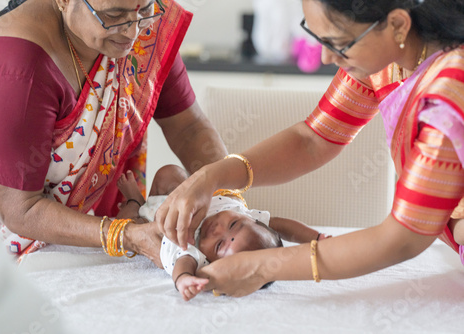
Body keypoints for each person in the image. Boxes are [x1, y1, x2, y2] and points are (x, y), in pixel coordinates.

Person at [154, 0, 464, 297]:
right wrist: (210, 178)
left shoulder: (450, 91)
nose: (327, 58)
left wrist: (264, 266)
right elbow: (312, 140)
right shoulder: (387, 60)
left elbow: (402, 238)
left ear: (397, 24)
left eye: (339, 42)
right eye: (319, 38)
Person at [0, 0, 227, 264]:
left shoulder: (137, 20)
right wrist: (125, 236)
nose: (133, 32)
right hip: (7, 255)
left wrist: (229, 203)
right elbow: (20, 209)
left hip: (106, 229)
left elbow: (189, 129)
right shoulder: (20, 67)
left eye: (146, 9)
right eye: (114, 15)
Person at [116, 164, 329, 301]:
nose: (217, 230)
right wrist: (316, 238)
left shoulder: (192, 249)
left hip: (150, 222)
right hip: (175, 199)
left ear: (212, 262)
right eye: (233, 225)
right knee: (169, 173)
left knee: (124, 224)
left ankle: (135, 200)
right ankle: (148, 199)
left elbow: (184, 264)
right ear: (249, 218)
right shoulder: (242, 211)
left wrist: (183, 280)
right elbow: (282, 226)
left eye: (219, 245)